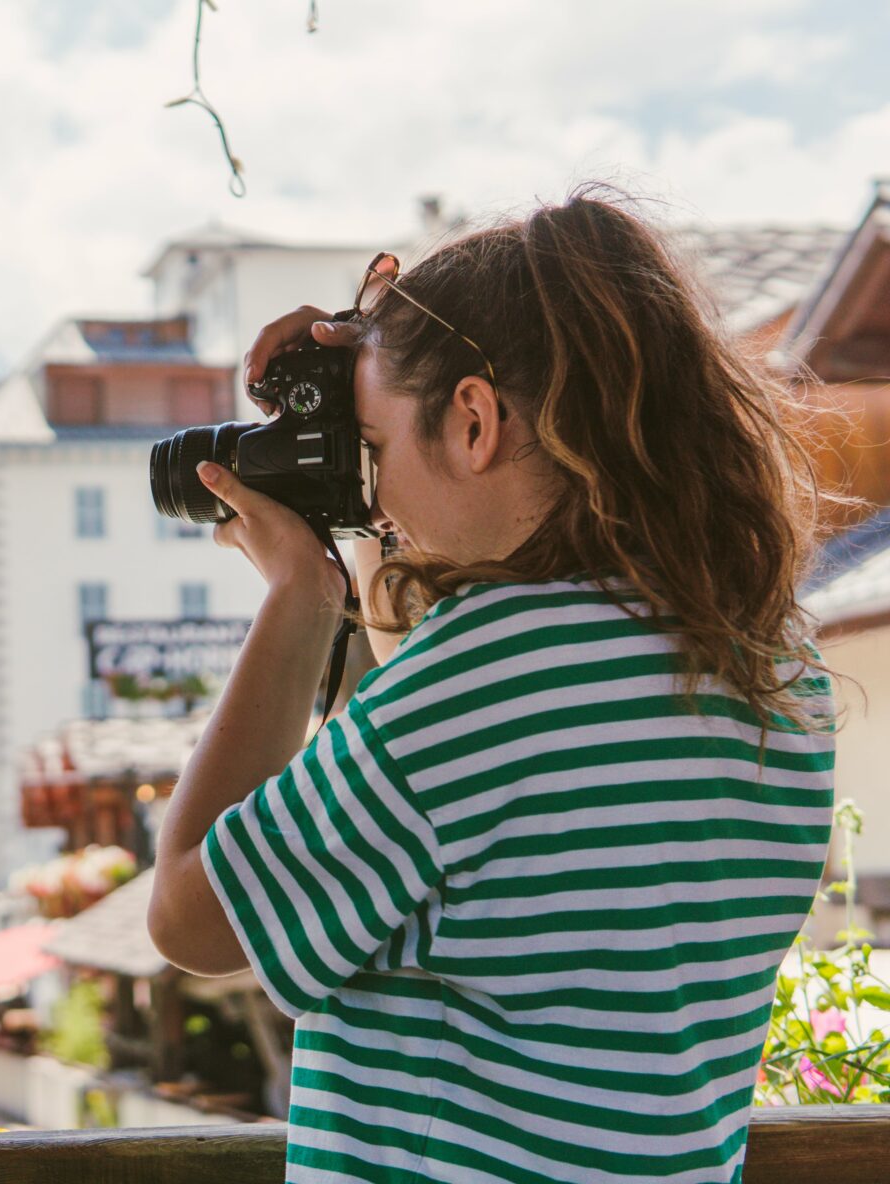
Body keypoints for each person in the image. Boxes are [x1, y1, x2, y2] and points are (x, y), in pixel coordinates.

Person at [146, 186, 837, 1183]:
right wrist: (384, 382)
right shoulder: (773, 664)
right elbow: (468, 747)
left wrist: (299, 594)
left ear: (474, 419)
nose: (374, 499)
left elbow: (188, 914)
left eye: (372, 453)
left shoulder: (478, 685)